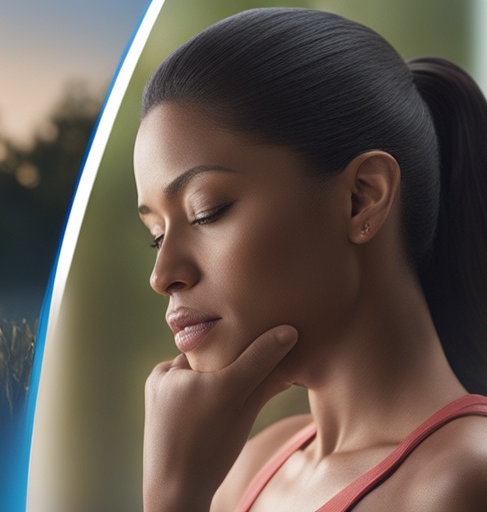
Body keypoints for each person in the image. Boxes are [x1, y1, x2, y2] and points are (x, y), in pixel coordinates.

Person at [134, 8, 487, 511]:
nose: (163, 275)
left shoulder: (462, 480)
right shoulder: (248, 468)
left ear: (362, 198)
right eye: (156, 234)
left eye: (207, 211)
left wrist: (174, 498)